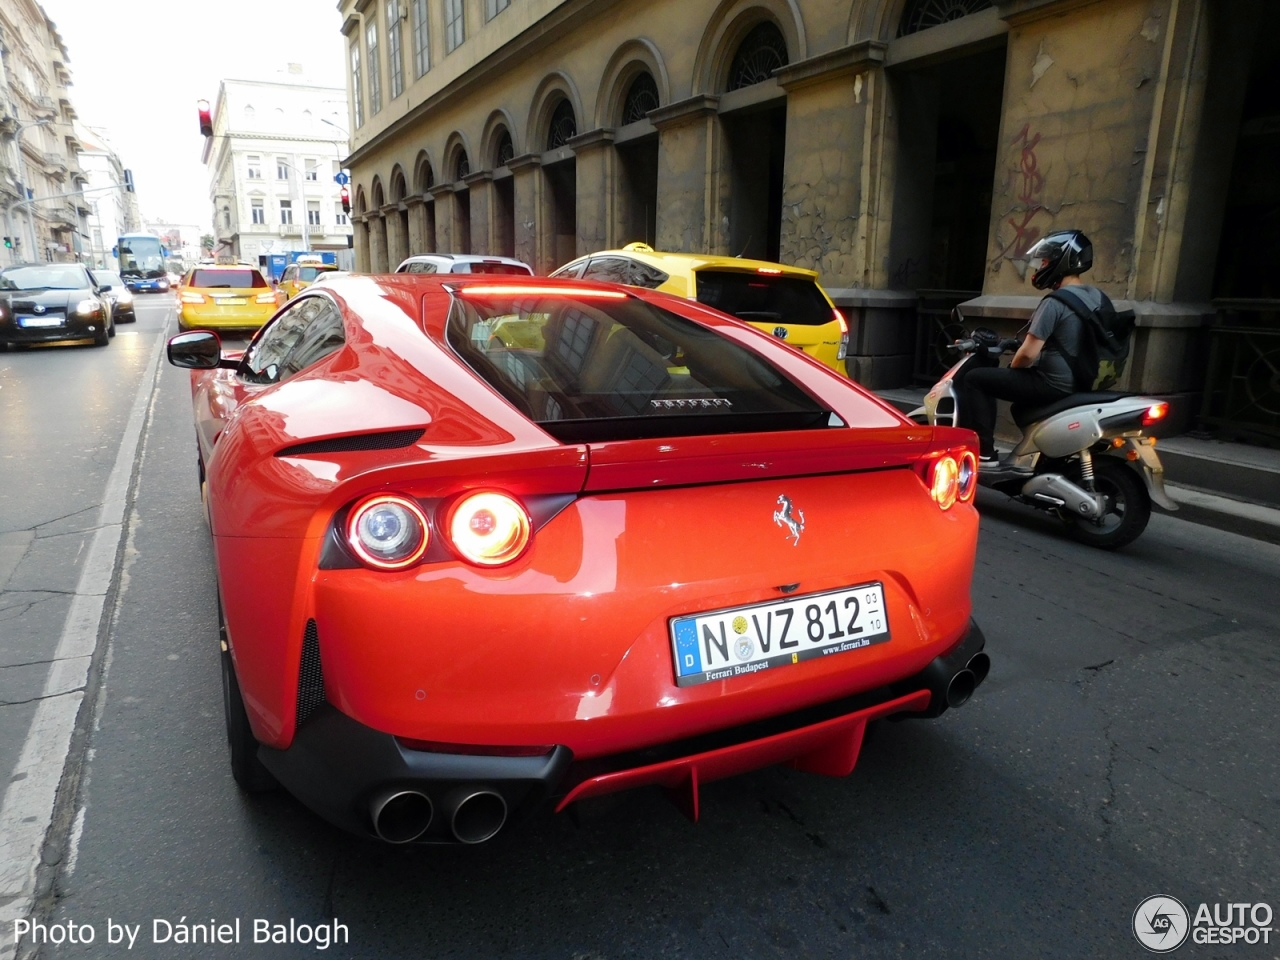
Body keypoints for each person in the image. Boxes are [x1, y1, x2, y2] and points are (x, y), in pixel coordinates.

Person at [959, 230, 1109, 465]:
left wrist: (1013, 365)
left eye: (1046, 261)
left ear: (1062, 262)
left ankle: (984, 453)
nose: (1040, 267)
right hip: (1083, 380)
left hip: (1053, 383)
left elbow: (1028, 354)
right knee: (1021, 407)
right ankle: (1043, 456)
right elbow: (1069, 339)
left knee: (975, 378)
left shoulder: (1056, 302)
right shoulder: (1097, 297)